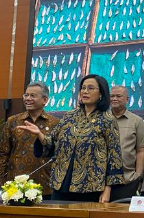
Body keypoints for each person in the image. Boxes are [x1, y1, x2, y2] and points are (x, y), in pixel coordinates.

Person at [19, 74, 122, 202]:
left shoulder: (108, 120)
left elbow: (114, 156)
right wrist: (39, 134)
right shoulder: (70, 115)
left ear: (101, 93)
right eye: (83, 88)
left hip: (90, 186)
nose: (85, 91)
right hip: (61, 182)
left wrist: (107, 190)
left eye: (90, 88)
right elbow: (52, 142)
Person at [0, 81, 59, 187]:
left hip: (45, 184)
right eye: (26, 95)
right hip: (15, 185)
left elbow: (58, 153)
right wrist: (1, 180)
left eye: (33, 96)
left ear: (45, 100)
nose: (28, 99)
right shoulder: (13, 121)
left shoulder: (55, 123)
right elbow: (1, 153)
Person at [109, 85, 144, 200]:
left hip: (127, 180)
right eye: (112, 96)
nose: (114, 99)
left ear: (127, 99)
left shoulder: (136, 121)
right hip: (101, 181)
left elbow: (141, 150)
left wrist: (138, 175)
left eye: (118, 96)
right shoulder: (102, 119)